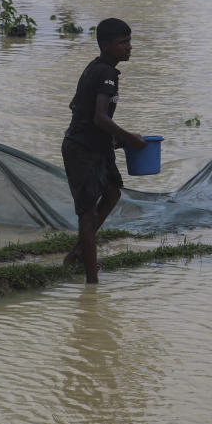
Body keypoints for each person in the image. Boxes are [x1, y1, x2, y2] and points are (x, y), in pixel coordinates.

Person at [61, 18, 146, 283]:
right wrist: (129, 138)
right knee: (87, 214)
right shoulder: (106, 73)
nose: (129, 47)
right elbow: (99, 117)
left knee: (112, 193)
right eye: (123, 43)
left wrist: (109, 140)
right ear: (107, 45)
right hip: (81, 150)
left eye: (129, 41)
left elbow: (76, 107)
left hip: (94, 146)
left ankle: (78, 251)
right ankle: (92, 281)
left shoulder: (96, 68)